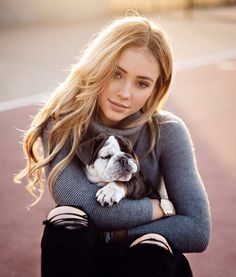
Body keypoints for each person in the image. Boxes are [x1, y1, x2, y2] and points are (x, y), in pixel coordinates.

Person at [15, 13, 211, 277]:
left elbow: (197, 230)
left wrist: (118, 235)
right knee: (66, 225)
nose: (125, 93)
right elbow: (84, 205)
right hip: (82, 255)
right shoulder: (62, 123)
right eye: (116, 74)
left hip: (141, 258)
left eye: (142, 83)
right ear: (98, 66)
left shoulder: (168, 131)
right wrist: (159, 208)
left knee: (153, 250)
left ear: (156, 88)